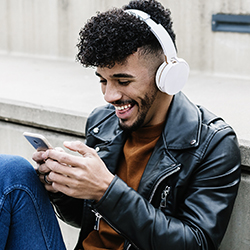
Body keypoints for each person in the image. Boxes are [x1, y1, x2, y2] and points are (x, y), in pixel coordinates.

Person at [0, 0, 241, 249]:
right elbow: (89, 219)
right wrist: (61, 188)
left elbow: (196, 244)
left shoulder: (212, 143)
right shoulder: (102, 122)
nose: (109, 96)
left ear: (167, 76)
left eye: (123, 81)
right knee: (10, 172)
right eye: (103, 80)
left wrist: (106, 190)